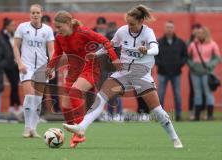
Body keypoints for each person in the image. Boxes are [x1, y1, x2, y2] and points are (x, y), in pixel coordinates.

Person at [62, 4, 183, 149]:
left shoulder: (148, 32)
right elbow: (110, 45)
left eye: (132, 24)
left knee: (157, 110)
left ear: (141, 22)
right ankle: (81, 127)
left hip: (142, 73)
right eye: (128, 23)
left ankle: (175, 138)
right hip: (123, 72)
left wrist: (147, 51)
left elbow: (156, 49)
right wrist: (97, 54)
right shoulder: (122, 31)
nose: (129, 26)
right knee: (101, 97)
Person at [46, 11, 119, 148]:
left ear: (68, 24)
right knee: (65, 107)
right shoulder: (59, 37)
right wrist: (50, 68)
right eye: (56, 27)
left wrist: (114, 59)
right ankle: (76, 134)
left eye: (59, 27)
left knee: (74, 92)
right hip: (73, 71)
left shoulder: (83, 32)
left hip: (90, 68)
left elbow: (105, 41)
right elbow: (57, 53)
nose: (58, 30)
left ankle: (80, 132)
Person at [13, 4, 55, 137]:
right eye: (32, 13)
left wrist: (51, 67)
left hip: (42, 67)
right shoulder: (22, 27)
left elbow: (51, 50)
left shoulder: (48, 30)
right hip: (27, 66)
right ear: (30, 14)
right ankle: (26, 127)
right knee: (29, 96)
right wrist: (19, 63)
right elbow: (15, 47)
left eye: (37, 12)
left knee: (37, 99)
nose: (35, 15)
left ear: (42, 14)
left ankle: (33, 129)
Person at [155, 21, 188, 121]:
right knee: (160, 94)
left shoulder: (180, 42)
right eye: (167, 27)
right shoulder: (159, 42)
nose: (169, 29)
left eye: (171, 27)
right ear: (165, 29)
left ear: (174, 28)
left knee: (177, 95)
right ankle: (160, 116)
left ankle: (178, 115)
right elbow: (155, 56)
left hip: (176, 73)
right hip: (162, 72)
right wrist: (160, 65)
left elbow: (185, 56)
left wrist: (179, 65)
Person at [187, 26, 221, 120]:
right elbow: (187, 57)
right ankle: (197, 116)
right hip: (195, 71)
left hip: (207, 71)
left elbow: (218, 57)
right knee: (197, 93)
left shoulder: (212, 44)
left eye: (202, 32)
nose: (199, 34)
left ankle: (210, 115)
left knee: (208, 93)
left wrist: (211, 65)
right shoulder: (193, 44)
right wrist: (192, 65)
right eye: (198, 33)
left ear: (206, 33)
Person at [0, 18, 23, 121]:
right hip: (8, 65)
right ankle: (17, 106)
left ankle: (12, 106)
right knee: (14, 84)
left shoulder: (15, 35)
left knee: (15, 85)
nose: (14, 27)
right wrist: (3, 63)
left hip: (17, 63)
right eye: (12, 25)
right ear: (6, 26)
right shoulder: (1, 36)